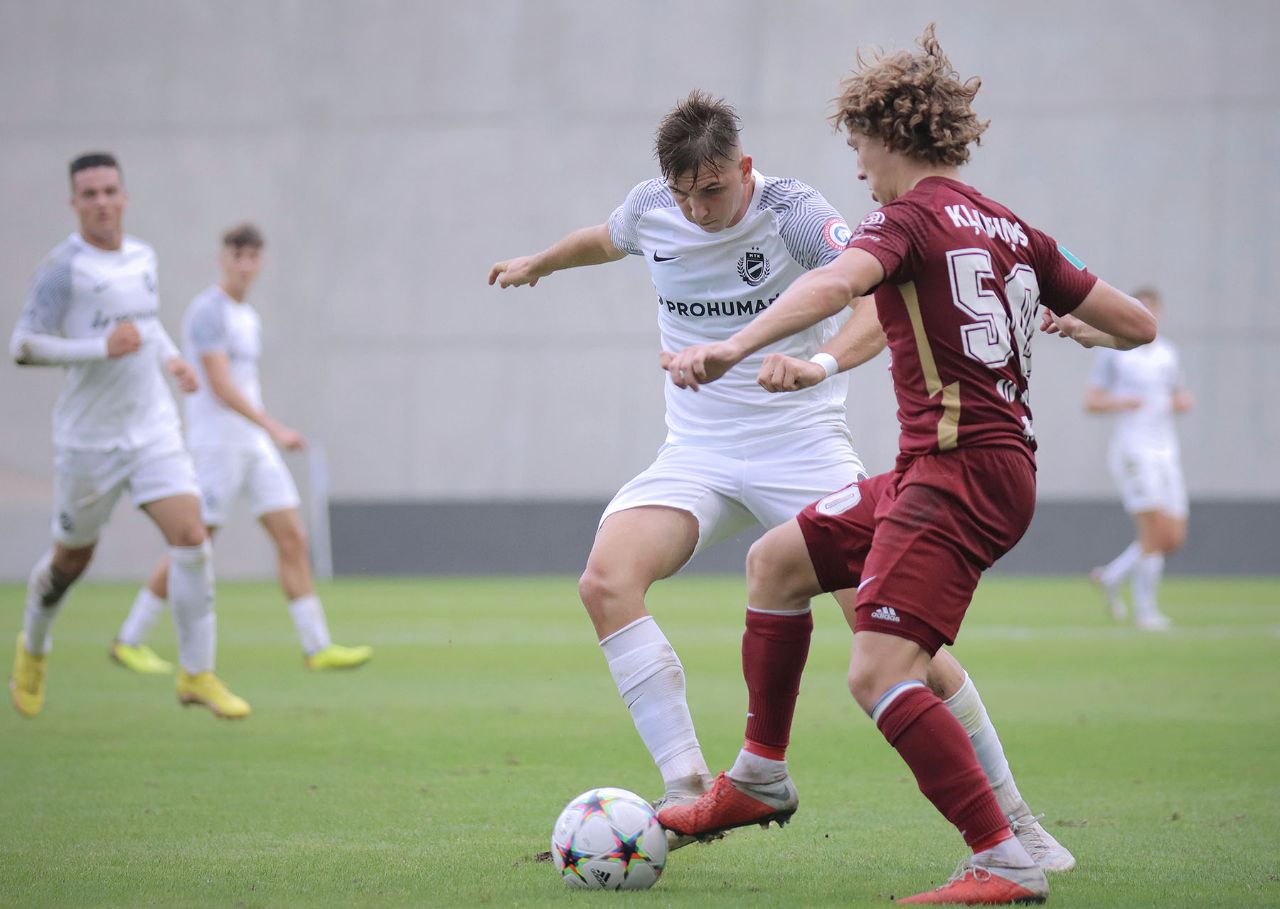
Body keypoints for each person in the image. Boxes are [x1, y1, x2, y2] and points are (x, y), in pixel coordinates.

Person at [490, 90, 1072, 866]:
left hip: (801, 449)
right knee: (605, 582)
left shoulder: (795, 213)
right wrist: (539, 263)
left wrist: (820, 362)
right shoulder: (650, 208)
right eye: (683, 195)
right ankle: (684, 789)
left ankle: (1019, 822)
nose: (697, 210)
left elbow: (875, 299)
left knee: (900, 642)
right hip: (696, 452)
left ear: (744, 168)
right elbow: (604, 238)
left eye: (712, 190)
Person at [656, 28, 1156, 905]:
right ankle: (760, 773)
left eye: (858, 145)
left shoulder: (907, 218)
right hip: (965, 465)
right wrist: (1084, 327)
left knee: (879, 672)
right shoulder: (1014, 228)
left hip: (959, 472)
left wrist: (734, 345)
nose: (857, 168)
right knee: (776, 561)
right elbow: (1139, 326)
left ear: (890, 135)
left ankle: (1004, 857)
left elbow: (834, 284)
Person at [9, 152, 249, 720]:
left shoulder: (143, 256)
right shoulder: (64, 268)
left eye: (109, 191)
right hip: (90, 442)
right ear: (74, 202)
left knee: (192, 537)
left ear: (124, 197)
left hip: (152, 430)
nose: (101, 202)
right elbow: (23, 345)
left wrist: (172, 360)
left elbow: (144, 324)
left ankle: (196, 674)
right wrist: (100, 347)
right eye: (89, 194)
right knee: (71, 562)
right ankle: (33, 647)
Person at [111, 224, 373, 673]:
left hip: (252, 444)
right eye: (238, 256)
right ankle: (130, 638)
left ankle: (317, 646)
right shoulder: (208, 311)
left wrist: (265, 433)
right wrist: (274, 427)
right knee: (195, 543)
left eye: (253, 257)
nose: (245, 265)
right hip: (216, 445)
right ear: (223, 259)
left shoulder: (247, 316)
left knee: (292, 537)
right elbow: (219, 385)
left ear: (261, 262)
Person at [1084, 287, 1191, 630]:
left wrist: (1181, 402)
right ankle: (1146, 610)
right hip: (1134, 449)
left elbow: (1180, 394)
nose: (1148, 314)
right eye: (1141, 308)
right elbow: (1092, 401)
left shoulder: (1168, 353)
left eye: (1152, 309)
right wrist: (1121, 401)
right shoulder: (1116, 352)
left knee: (1172, 537)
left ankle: (1111, 576)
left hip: (1166, 450)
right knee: (1154, 530)